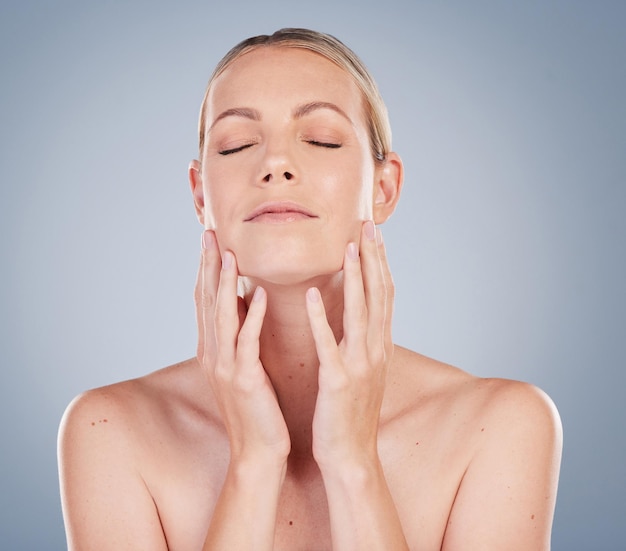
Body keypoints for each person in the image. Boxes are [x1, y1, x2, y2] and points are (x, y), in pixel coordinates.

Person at [58, 28, 562, 550]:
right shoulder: (108, 431)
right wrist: (253, 463)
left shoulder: (500, 428)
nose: (275, 165)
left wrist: (354, 464)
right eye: (236, 144)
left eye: (321, 139)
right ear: (200, 194)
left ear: (384, 188)